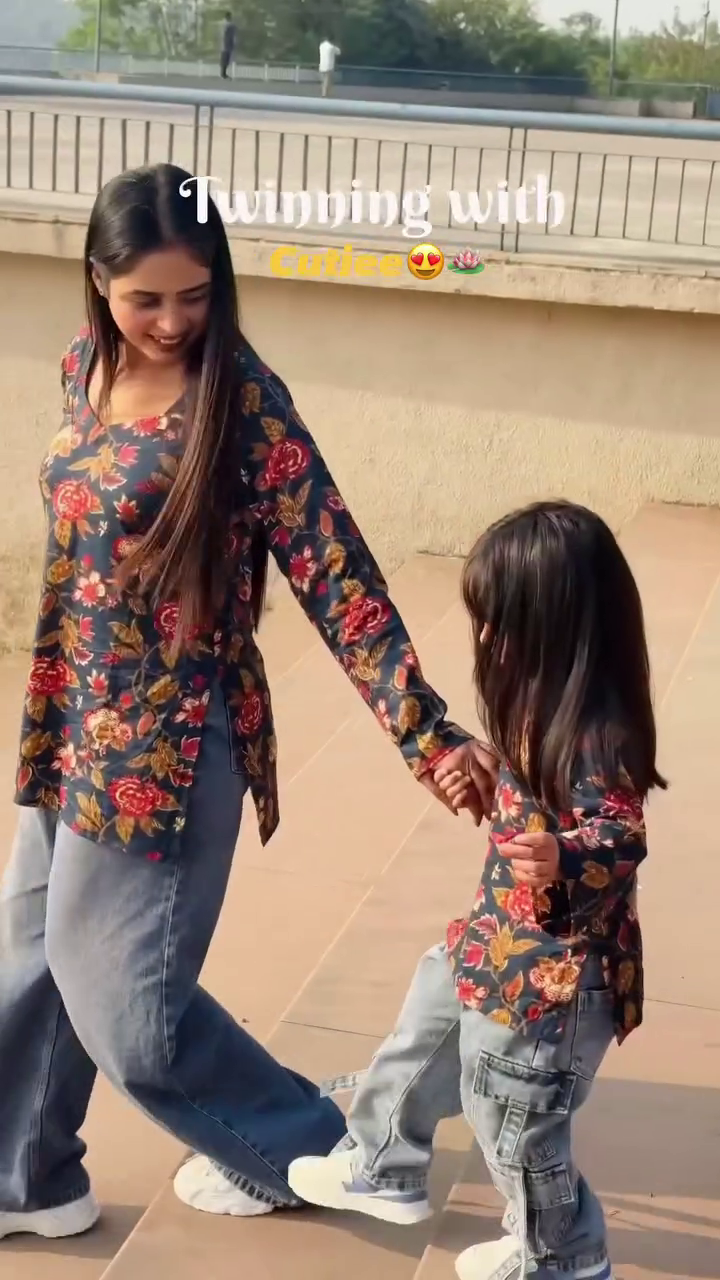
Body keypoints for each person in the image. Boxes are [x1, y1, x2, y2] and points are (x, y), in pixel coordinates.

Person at [0, 162, 497, 1243]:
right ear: (98, 282)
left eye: (197, 292)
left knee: (133, 1016)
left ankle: (325, 1145)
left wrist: (428, 732)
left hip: (169, 744)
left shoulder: (242, 401)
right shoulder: (81, 367)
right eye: (147, 297)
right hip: (71, 712)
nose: (175, 320)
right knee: (31, 961)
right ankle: (26, 1176)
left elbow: (338, 572)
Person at [289, 501, 667, 1280]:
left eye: (504, 623)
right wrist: (488, 771)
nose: (488, 640)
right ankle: (383, 1159)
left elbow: (621, 836)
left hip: (557, 984)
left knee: (513, 1119)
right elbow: (534, 785)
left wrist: (564, 854)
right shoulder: (542, 701)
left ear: (564, 627)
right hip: (502, 944)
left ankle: (562, 1254)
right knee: (426, 1026)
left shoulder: (600, 733)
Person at [220, 11, 236, 79]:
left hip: (227, 45)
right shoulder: (227, 25)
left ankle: (223, 73)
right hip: (226, 45)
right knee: (225, 59)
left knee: (226, 60)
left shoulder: (228, 25)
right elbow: (225, 35)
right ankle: (223, 74)